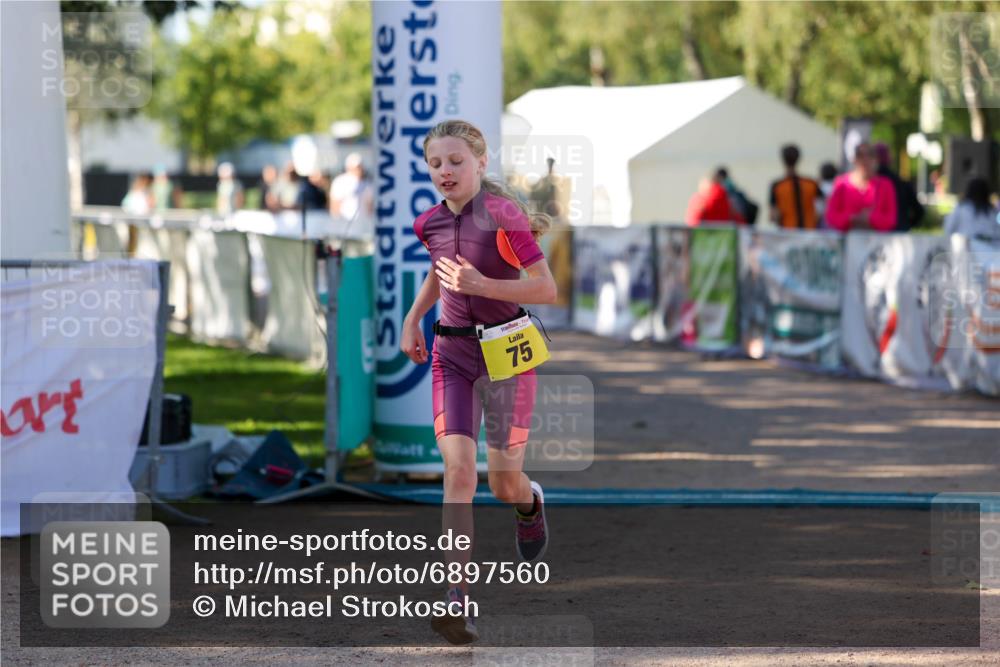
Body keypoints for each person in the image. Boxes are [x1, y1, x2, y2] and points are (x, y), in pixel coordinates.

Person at [400, 119, 557, 645]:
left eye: (456, 161)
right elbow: (438, 270)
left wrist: (483, 283)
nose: (446, 171)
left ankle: (529, 501)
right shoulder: (428, 223)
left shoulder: (503, 216)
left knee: (500, 483)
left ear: (481, 163)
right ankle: (458, 602)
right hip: (452, 355)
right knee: (459, 473)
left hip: (508, 356)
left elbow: (546, 289)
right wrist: (412, 318)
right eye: (436, 163)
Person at [825, 143, 897, 233]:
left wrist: (871, 218)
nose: (865, 160)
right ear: (855, 159)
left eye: (870, 155)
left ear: (876, 160)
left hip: (876, 243)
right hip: (847, 241)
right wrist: (851, 218)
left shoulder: (885, 185)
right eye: (860, 155)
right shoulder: (842, 184)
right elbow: (831, 216)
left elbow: (890, 219)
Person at [768, 144, 823, 230]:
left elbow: (773, 216)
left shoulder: (777, 185)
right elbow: (822, 209)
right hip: (809, 233)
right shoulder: (811, 184)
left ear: (783, 160)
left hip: (787, 233)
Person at [875, 142, 924, 231]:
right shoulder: (901, 183)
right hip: (899, 232)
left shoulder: (871, 183)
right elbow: (919, 211)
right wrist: (906, 224)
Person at [330, 152, 374, 235]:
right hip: (344, 223)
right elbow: (335, 204)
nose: (359, 170)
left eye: (360, 167)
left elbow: (370, 206)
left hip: (362, 224)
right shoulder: (340, 181)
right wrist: (336, 222)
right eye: (356, 167)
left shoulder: (367, 183)